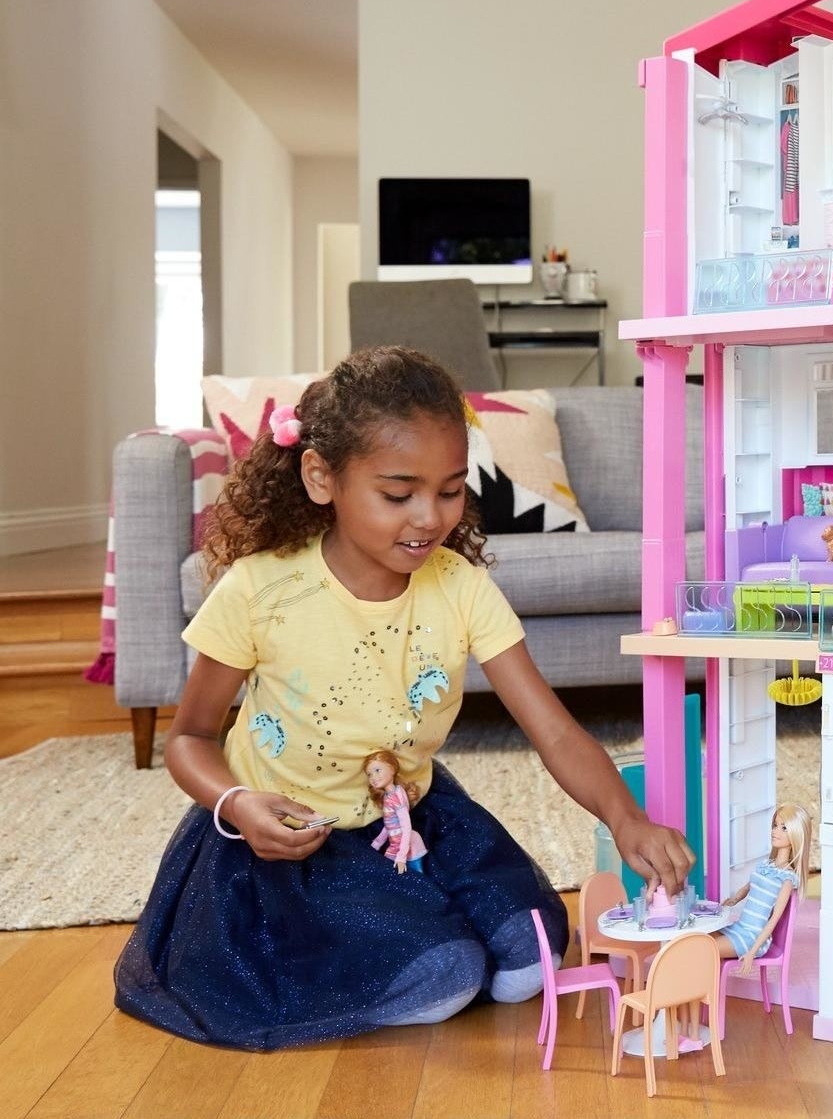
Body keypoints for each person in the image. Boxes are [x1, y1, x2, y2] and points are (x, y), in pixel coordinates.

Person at [113, 346, 695, 1051]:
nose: (429, 518)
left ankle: (423, 931)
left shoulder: (461, 587)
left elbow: (555, 731)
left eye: (450, 491)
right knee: (448, 975)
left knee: (533, 947)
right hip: (292, 848)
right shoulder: (259, 591)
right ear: (321, 477)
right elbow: (189, 738)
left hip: (410, 819)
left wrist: (626, 819)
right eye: (398, 495)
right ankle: (407, 952)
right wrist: (236, 804)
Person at [715, 804, 812, 973]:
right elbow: (748, 887)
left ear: (797, 834)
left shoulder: (787, 878)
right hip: (739, 928)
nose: (775, 831)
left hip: (752, 937)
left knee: (704, 948)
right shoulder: (766, 865)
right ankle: (700, 988)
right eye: (775, 825)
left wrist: (752, 952)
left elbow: (774, 919)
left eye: (784, 828)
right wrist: (733, 900)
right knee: (698, 940)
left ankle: (700, 989)